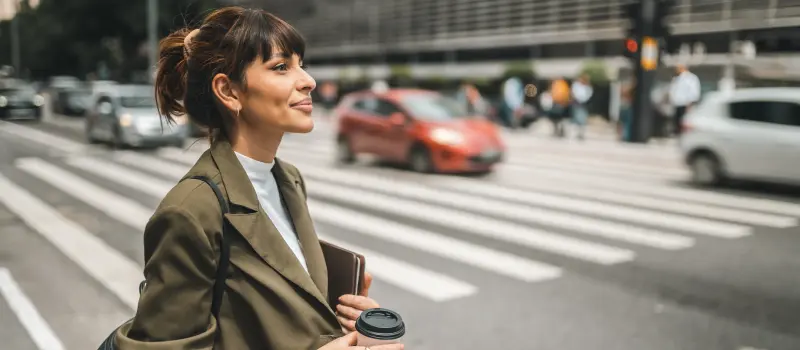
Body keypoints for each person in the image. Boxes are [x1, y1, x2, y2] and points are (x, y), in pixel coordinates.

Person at [112, 7, 403, 350]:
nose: (308, 79)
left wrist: (347, 320)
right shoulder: (191, 211)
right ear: (230, 92)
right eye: (281, 67)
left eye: (300, 63)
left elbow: (283, 312)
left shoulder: (289, 180)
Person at [668, 64, 701, 136]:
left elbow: (694, 91)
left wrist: (690, 103)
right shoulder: (676, 78)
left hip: (685, 103)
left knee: (685, 121)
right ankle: (678, 134)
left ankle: (684, 135)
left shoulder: (691, 78)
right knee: (677, 121)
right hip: (677, 103)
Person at [570, 74, 593, 140]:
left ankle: (581, 133)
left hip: (583, 104)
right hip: (577, 103)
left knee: (582, 119)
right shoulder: (576, 85)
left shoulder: (588, 87)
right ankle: (578, 133)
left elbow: (588, 95)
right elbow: (573, 93)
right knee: (577, 118)